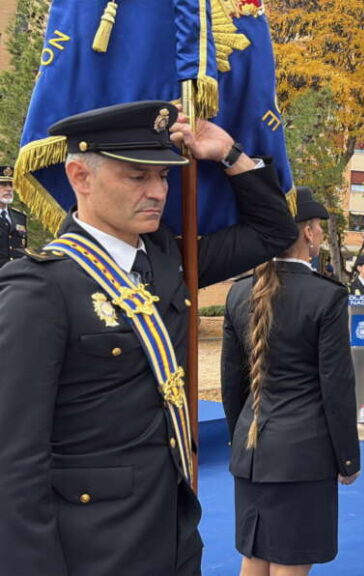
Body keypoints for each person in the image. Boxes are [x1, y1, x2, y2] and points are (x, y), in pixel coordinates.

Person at [0, 101, 297, 575]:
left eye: (164, 177)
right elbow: (13, 457)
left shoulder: (166, 261)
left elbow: (274, 231)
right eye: (137, 177)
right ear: (80, 176)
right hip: (91, 543)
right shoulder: (40, 289)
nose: (158, 191)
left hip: (170, 527)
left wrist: (229, 154)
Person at [221, 188, 360, 575]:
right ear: (310, 234)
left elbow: (233, 386)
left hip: (251, 453)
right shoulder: (326, 297)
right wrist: (347, 457)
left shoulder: (238, 293)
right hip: (303, 456)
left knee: (255, 557)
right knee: (290, 563)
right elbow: (337, 386)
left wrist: (241, 442)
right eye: (316, 227)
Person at [0, 164, 28, 267]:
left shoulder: (20, 217)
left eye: (11, 185)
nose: (9, 189)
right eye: (3, 184)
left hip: (15, 277)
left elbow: (23, 250)